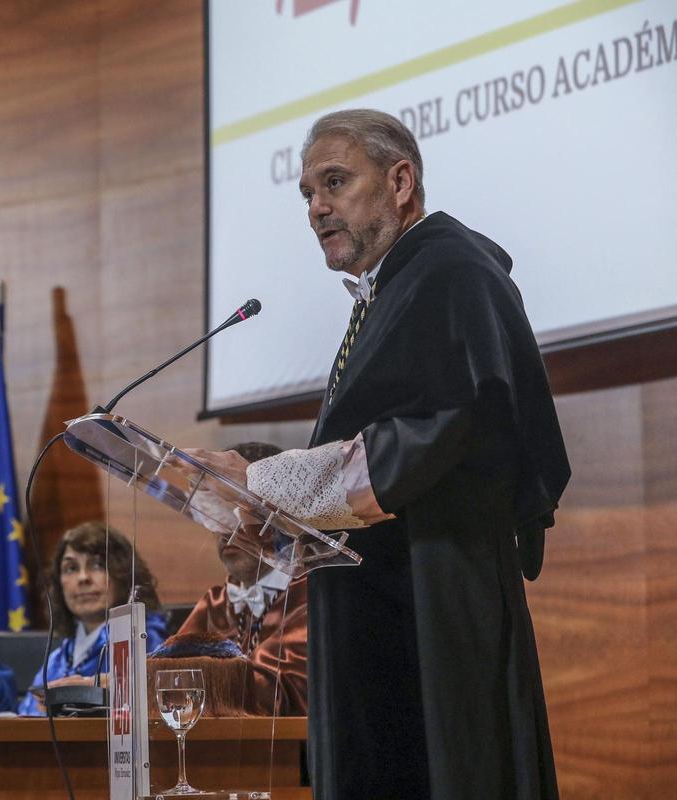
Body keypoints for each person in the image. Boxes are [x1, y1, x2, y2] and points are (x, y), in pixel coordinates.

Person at [190, 109, 570, 799]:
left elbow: (426, 435)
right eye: (306, 193)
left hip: (433, 600)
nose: (316, 208)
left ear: (401, 181)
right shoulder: (394, 290)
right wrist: (268, 513)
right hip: (387, 597)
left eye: (334, 182)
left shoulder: (449, 274)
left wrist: (260, 479)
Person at [175, 442, 308, 716]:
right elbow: (168, 669)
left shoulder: (311, 598)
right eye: (214, 514)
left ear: (281, 516)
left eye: (236, 512)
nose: (226, 532)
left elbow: (280, 698)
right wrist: (106, 685)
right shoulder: (217, 601)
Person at [18, 521, 167, 716]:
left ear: (124, 574)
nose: (83, 578)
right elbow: (25, 717)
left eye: (97, 565)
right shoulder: (59, 657)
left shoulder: (145, 640)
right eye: (71, 568)